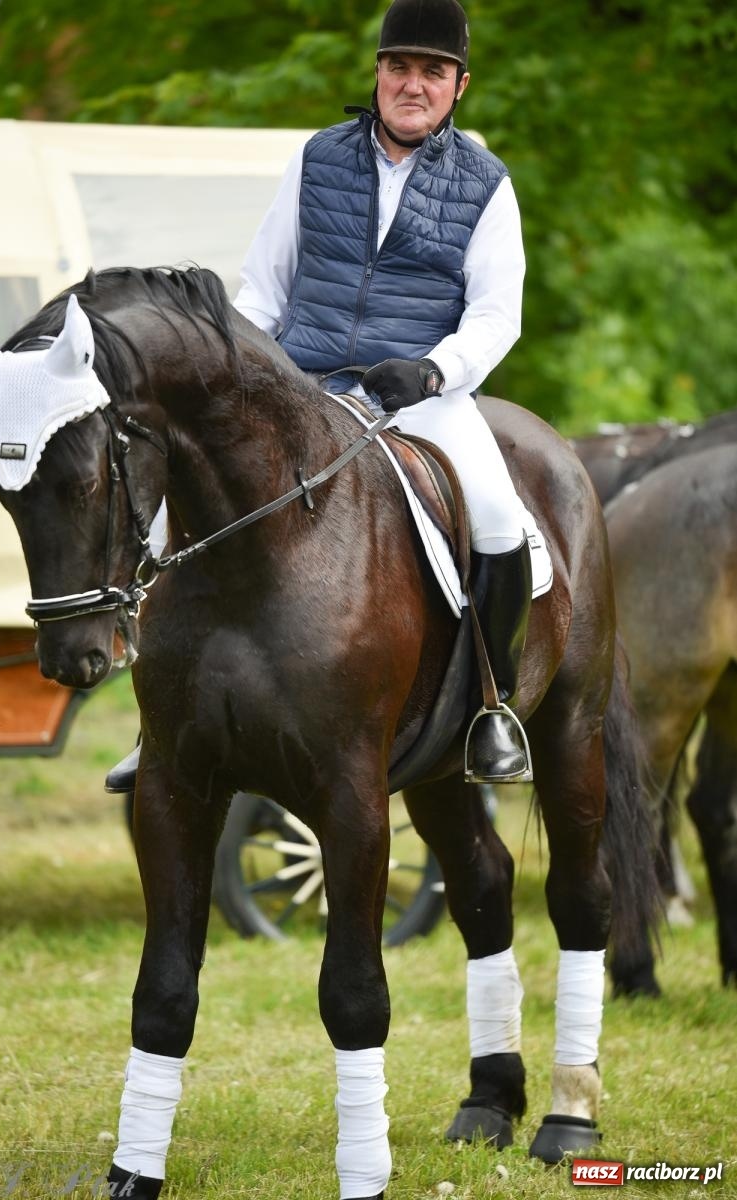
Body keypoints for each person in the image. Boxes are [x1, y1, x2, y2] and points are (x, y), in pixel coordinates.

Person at [233, 0, 532, 783]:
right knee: (183, 482)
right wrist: (238, 370)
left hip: (419, 394)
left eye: (431, 71)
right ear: (376, 72)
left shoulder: (486, 185)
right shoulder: (316, 158)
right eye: (398, 66)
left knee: (499, 518)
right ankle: (161, 702)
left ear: (458, 85)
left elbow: (497, 315)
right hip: (302, 383)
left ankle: (493, 706)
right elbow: (264, 286)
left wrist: (437, 371)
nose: (411, 84)